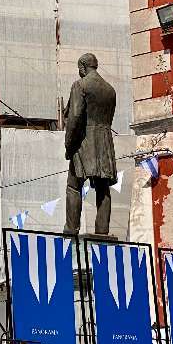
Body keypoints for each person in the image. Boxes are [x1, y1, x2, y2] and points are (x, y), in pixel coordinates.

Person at [64, 52, 117, 236]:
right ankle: (102, 232)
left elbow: (75, 117)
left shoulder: (80, 85)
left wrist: (69, 144)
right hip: (105, 142)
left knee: (73, 185)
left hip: (84, 141)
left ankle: (71, 230)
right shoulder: (110, 90)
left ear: (82, 67)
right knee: (103, 188)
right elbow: (109, 118)